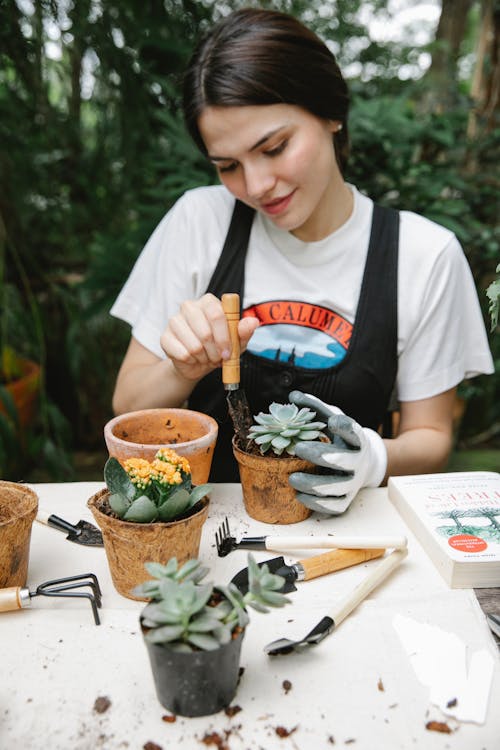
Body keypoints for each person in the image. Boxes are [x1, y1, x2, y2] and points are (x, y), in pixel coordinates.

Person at [110, 8, 494, 513]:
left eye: (274, 147)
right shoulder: (199, 221)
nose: (255, 185)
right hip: (206, 528)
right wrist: (182, 368)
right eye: (228, 165)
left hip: (353, 529)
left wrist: (372, 460)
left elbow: (431, 436)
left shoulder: (425, 254)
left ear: (332, 111)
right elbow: (127, 407)